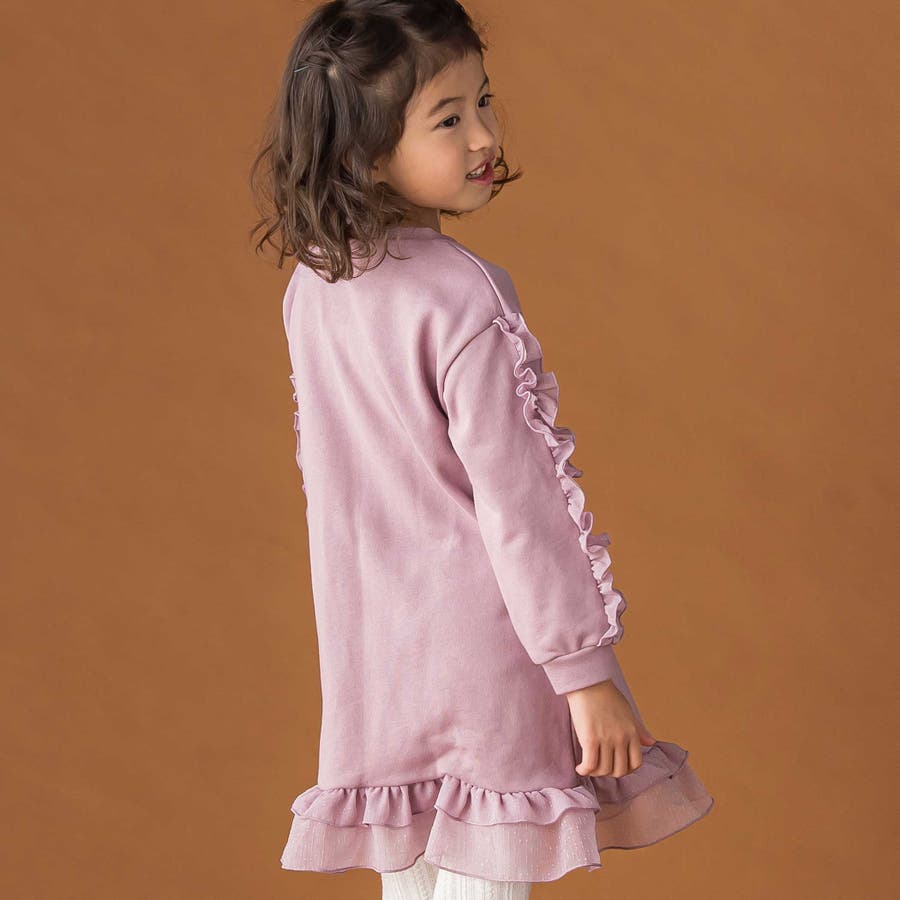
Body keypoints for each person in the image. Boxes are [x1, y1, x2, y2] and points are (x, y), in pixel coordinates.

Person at [248, 2, 715, 898]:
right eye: (449, 118)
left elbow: (338, 490)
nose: (485, 137)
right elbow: (522, 501)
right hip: (486, 661)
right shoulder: (463, 295)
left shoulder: (313, 289)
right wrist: (585, 675)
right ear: (365, 152)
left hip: (375, 664)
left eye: (484, 102)